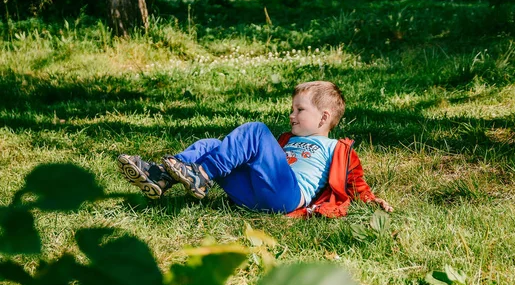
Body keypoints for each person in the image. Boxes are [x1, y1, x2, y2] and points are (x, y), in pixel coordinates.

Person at [117, 81, 393, 217]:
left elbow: (356, 184)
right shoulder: (288, 140)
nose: (292, 115)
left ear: (323, 116)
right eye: (291, 109)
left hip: (287, 197)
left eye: (299, 109)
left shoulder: (337, 148)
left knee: (256, 130)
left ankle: (202, 174)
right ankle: (161, 176)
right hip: (254, 197)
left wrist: (372, 201)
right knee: (212, 145)